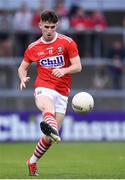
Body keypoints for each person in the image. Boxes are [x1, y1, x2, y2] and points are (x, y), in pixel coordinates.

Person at [18, 9, 82, 176]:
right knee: (47, 108)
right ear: (40, 25)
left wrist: (65, 70)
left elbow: (78, 66)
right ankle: (51, 126)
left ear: (57, 25)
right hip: (43, 86)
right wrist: (23, 78)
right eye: (46, 26)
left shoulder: (67, 42)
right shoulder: (33, 47)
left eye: (53, 27)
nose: (49, 30)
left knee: (50, 138)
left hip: (62, 91)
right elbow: (22, 67)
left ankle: (32, 161)